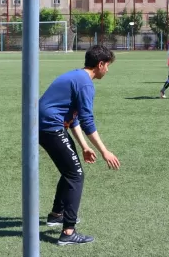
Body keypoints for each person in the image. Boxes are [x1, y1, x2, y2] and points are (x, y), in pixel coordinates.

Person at [38, 45, 120, 246]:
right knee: (76, 175)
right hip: (50, 127)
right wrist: (104, 151)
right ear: (100, 64)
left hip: (46, 126)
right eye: (107, 66)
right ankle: (68, 231)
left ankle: (57, 214)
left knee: (70, 171)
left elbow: (73, 118)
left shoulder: (77, 77)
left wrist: (84, 146)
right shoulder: (85, 84)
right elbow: (87, 121)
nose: (107, 70)